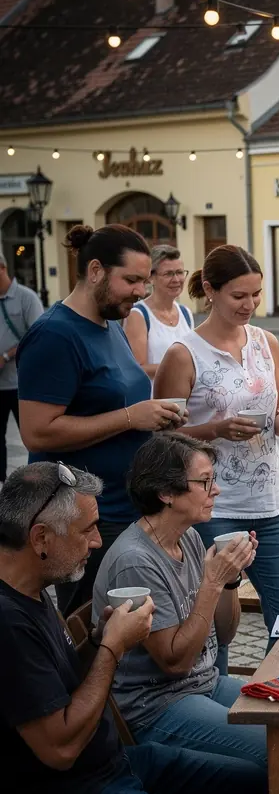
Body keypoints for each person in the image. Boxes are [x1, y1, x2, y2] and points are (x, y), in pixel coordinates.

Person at [0, 461, 266, 794]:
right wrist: (112, 650)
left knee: (254, 785)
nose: (98, 543)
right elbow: (59, 748)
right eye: (87, 530)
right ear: (40, 538)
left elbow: (53, 692)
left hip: (109, 766)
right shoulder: (7, 623)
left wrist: (98, 642)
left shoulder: (34, 590)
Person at [153, 246, 279, 794]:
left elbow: (272, 418)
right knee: (216, 624)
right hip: (214, 502)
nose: (251, 304)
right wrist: (215, 430)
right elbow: (160, 440)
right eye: (239, 295)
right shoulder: (186, 353)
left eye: (257, 294)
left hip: (271, 498)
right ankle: (225, 752)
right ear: (208, 289)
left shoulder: (267, 341)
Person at [17, 225, 186, 614]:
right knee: (96, 631)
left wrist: (157, 419)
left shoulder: (111, 325)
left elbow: (117, 408)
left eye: (145, 281)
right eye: (131, 280)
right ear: (95, 271)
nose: (141, 291)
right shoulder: (54, 335)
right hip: (87, 519)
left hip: (125, 507)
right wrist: (130, 417)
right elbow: (37, 432)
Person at [92, 434, 263, 766]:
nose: (216, 490)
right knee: (276, 744)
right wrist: (211, 582)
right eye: (204, 482)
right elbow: (175, 663)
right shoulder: (136, 561)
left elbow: (224, 635)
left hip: (201, 684)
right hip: (156, 704)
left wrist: (229, 581)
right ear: (166, 493)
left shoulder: (189, 537)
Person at [0, 251, 43, 481]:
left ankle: (38, 483)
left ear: (2, 268)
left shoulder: (26, 298)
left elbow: (38, 337)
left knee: (34, 439)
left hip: (21, 384)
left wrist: (6, 356)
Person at [123, 244, 194, 379]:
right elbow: (136, 368)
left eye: (179, 272)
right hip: (153, 398)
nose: (176, 280)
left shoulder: (186, 313)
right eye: (168, 274)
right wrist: (180, 366)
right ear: (150, 277)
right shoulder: (138, 314)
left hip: (182, 399)